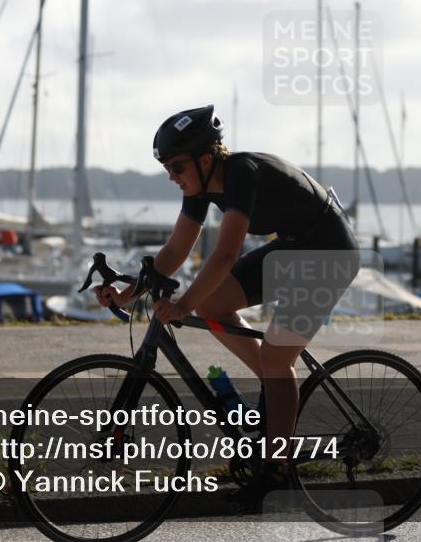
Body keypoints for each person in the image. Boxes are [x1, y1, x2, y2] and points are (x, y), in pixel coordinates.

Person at [95, 105, 359, 511]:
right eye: (167, 168)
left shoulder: (240, 174)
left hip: (329, 253)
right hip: (294, 246)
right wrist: (127, 294)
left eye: (177, 167)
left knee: (274, 355)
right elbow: (176, 251)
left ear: (205, 159)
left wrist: (182, 305)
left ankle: (278, 469)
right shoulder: (199, 189)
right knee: (215, 308)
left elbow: (224, 255)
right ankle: (277, 386)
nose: (172, 176)